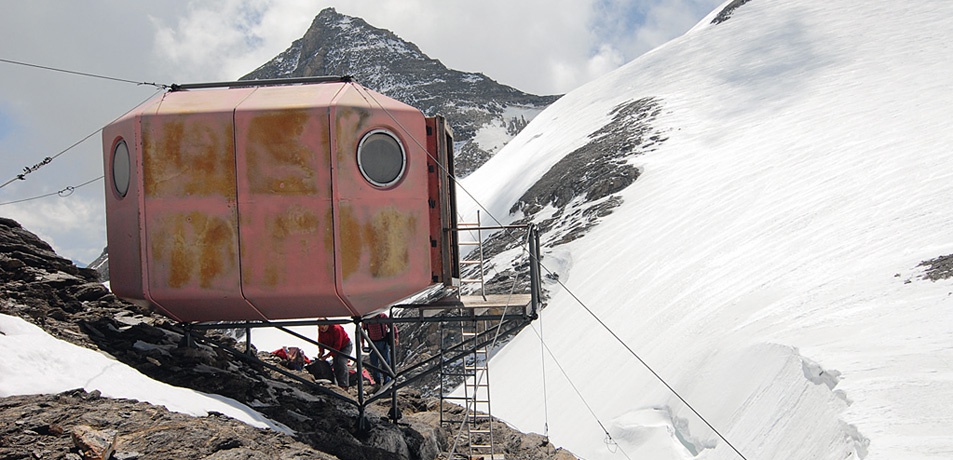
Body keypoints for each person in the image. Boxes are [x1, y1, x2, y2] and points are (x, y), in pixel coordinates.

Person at [363, 312, 398, 386]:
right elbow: (362, 330)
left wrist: (395, 337)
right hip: (372, 343)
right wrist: (362, 343)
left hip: (383, 342)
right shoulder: (366, 318)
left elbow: (392, 326)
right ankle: (377, 382)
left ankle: (387, 382)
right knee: (374, 364)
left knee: (385, 363)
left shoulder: (382, 316)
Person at [317, 319, 352, 389]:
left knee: (341, 362)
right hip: (333, 347)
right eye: (320, 326)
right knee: (336, 364)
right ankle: (337, 383)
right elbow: (320, 341)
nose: (322, 328)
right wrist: (321, 351)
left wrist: (327, 356)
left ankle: (344, 385)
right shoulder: (321, 331)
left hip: (344, 346)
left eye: (324, 325)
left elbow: (337, 345)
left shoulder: (336, 329)